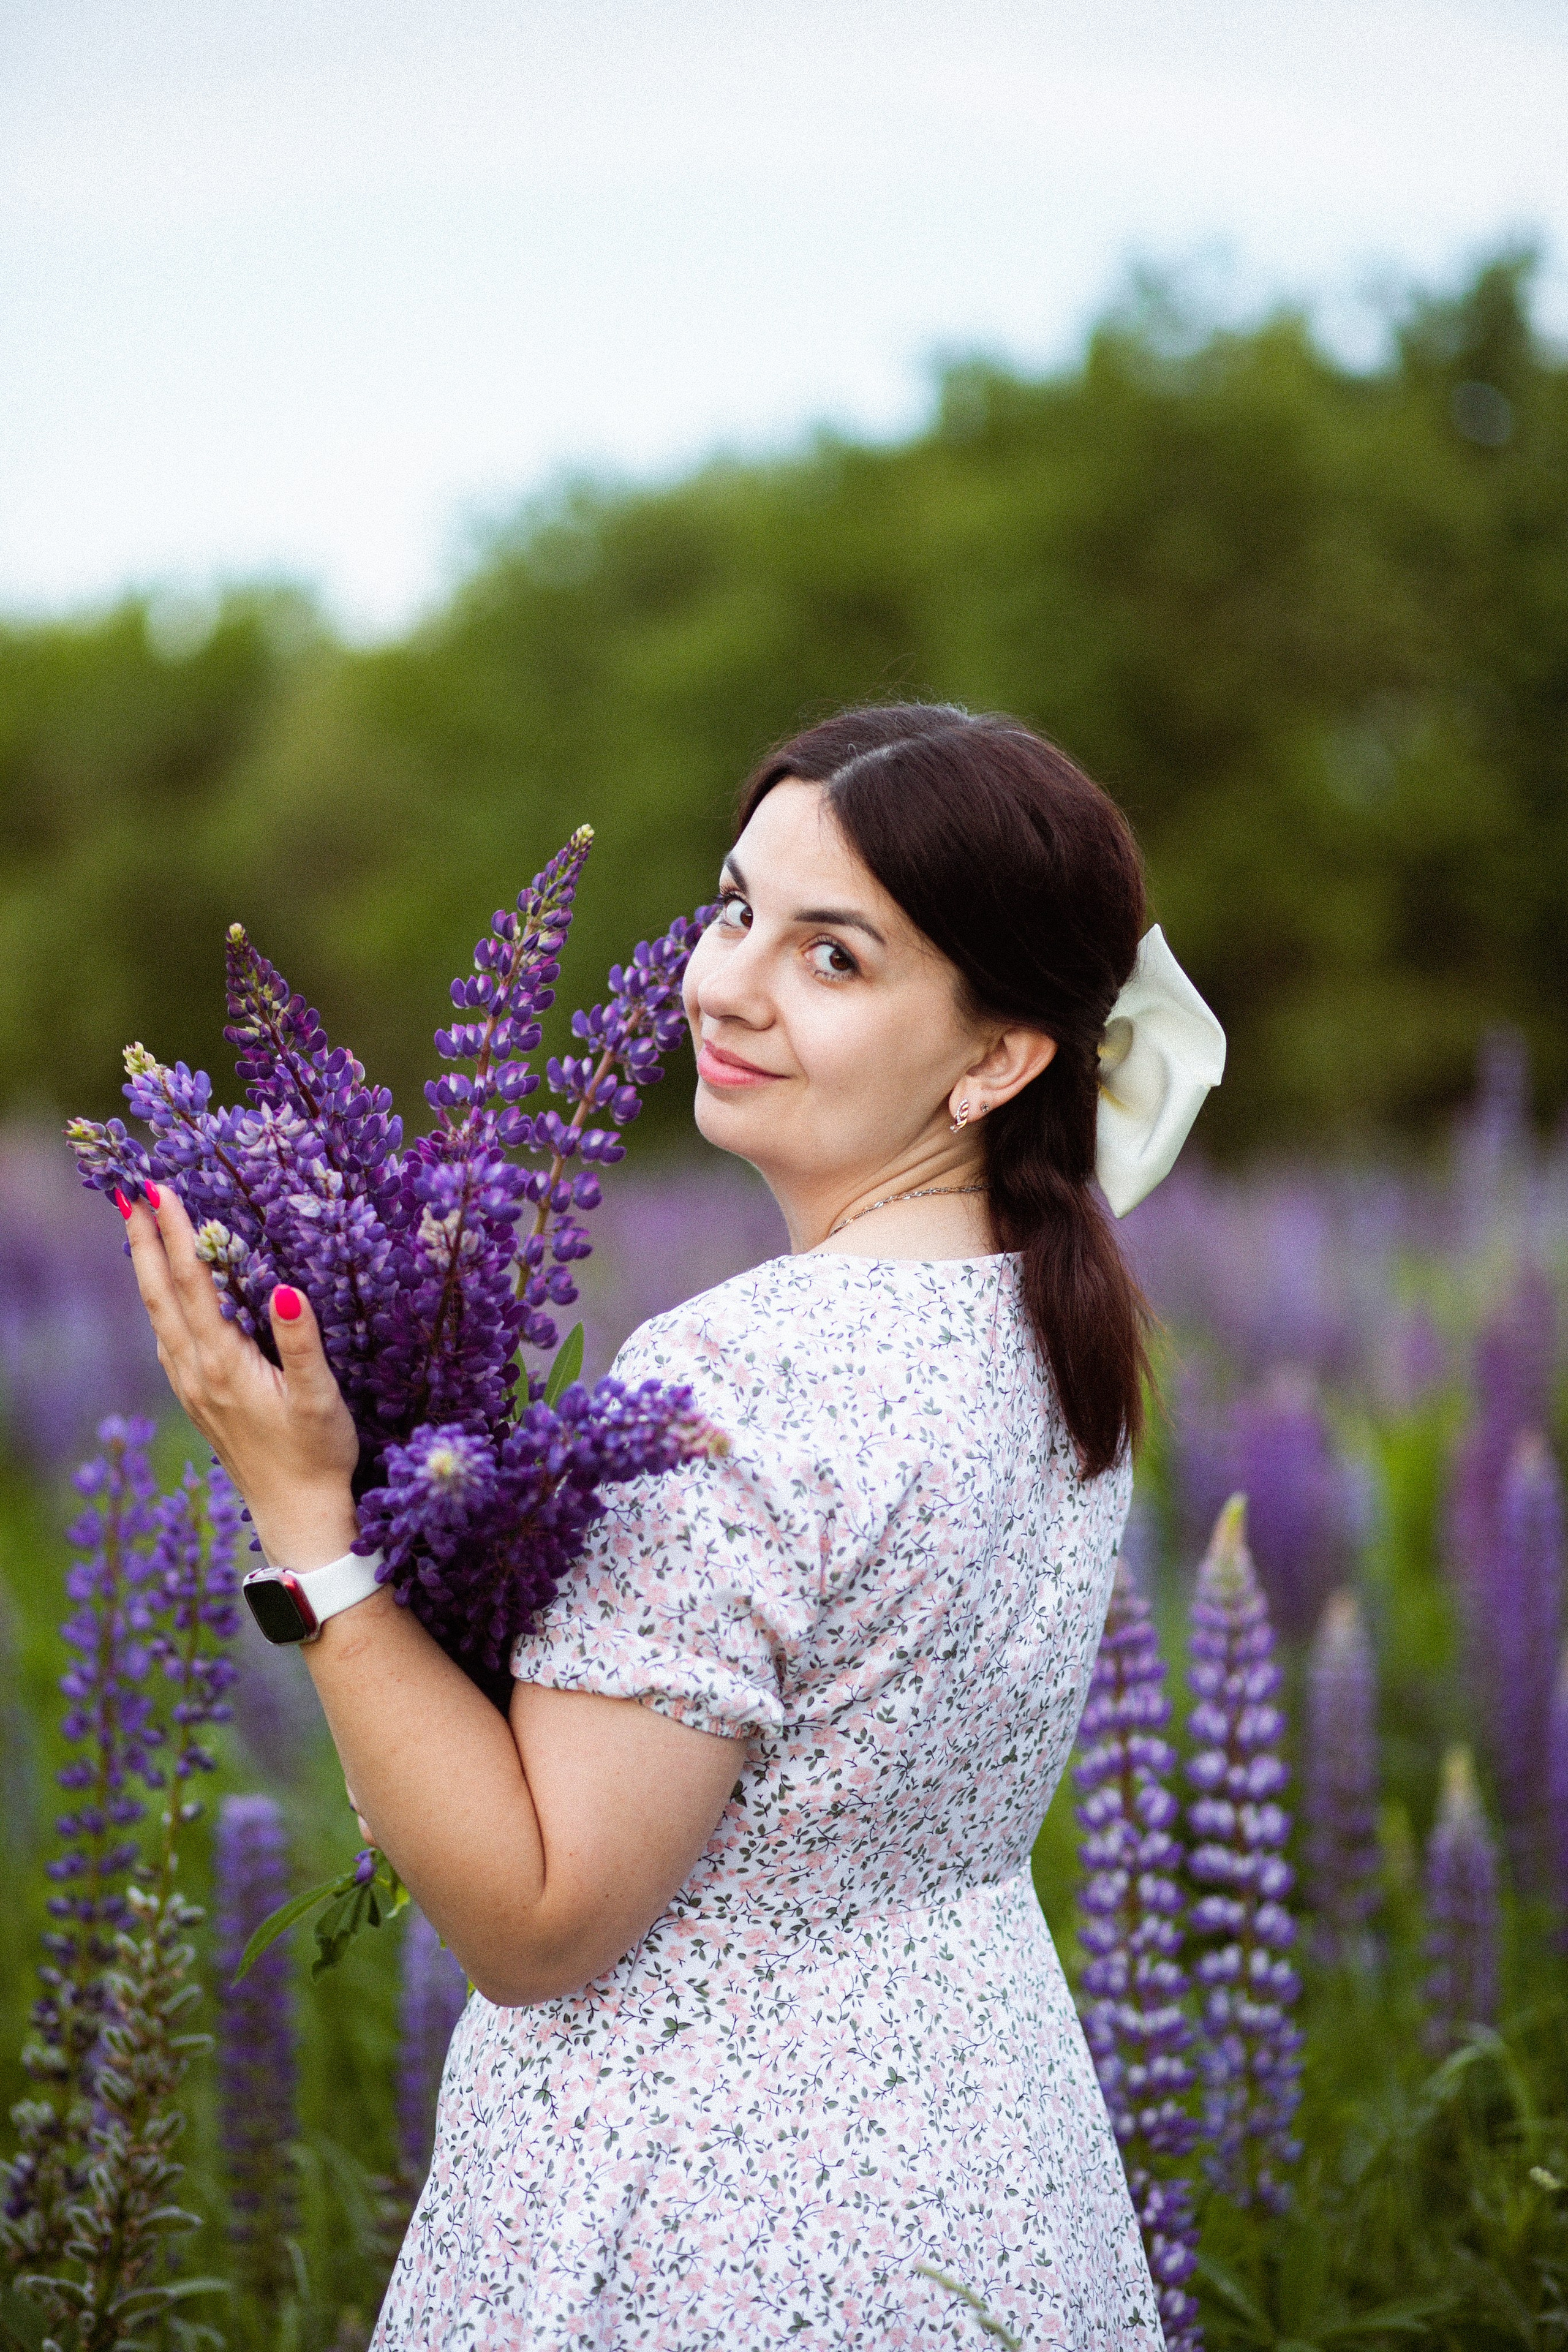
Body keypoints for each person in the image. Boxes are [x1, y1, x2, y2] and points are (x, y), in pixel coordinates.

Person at [121, 703, 1223, 2348]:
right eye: (735, 907)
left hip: (700, 2213)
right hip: (990, 2173)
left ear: (1000, 1055)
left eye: (833, 957)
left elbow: (537, 1918)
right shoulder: (1050, 1332)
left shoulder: (733, 1378)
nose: (724, 981)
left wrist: (308, 1522)